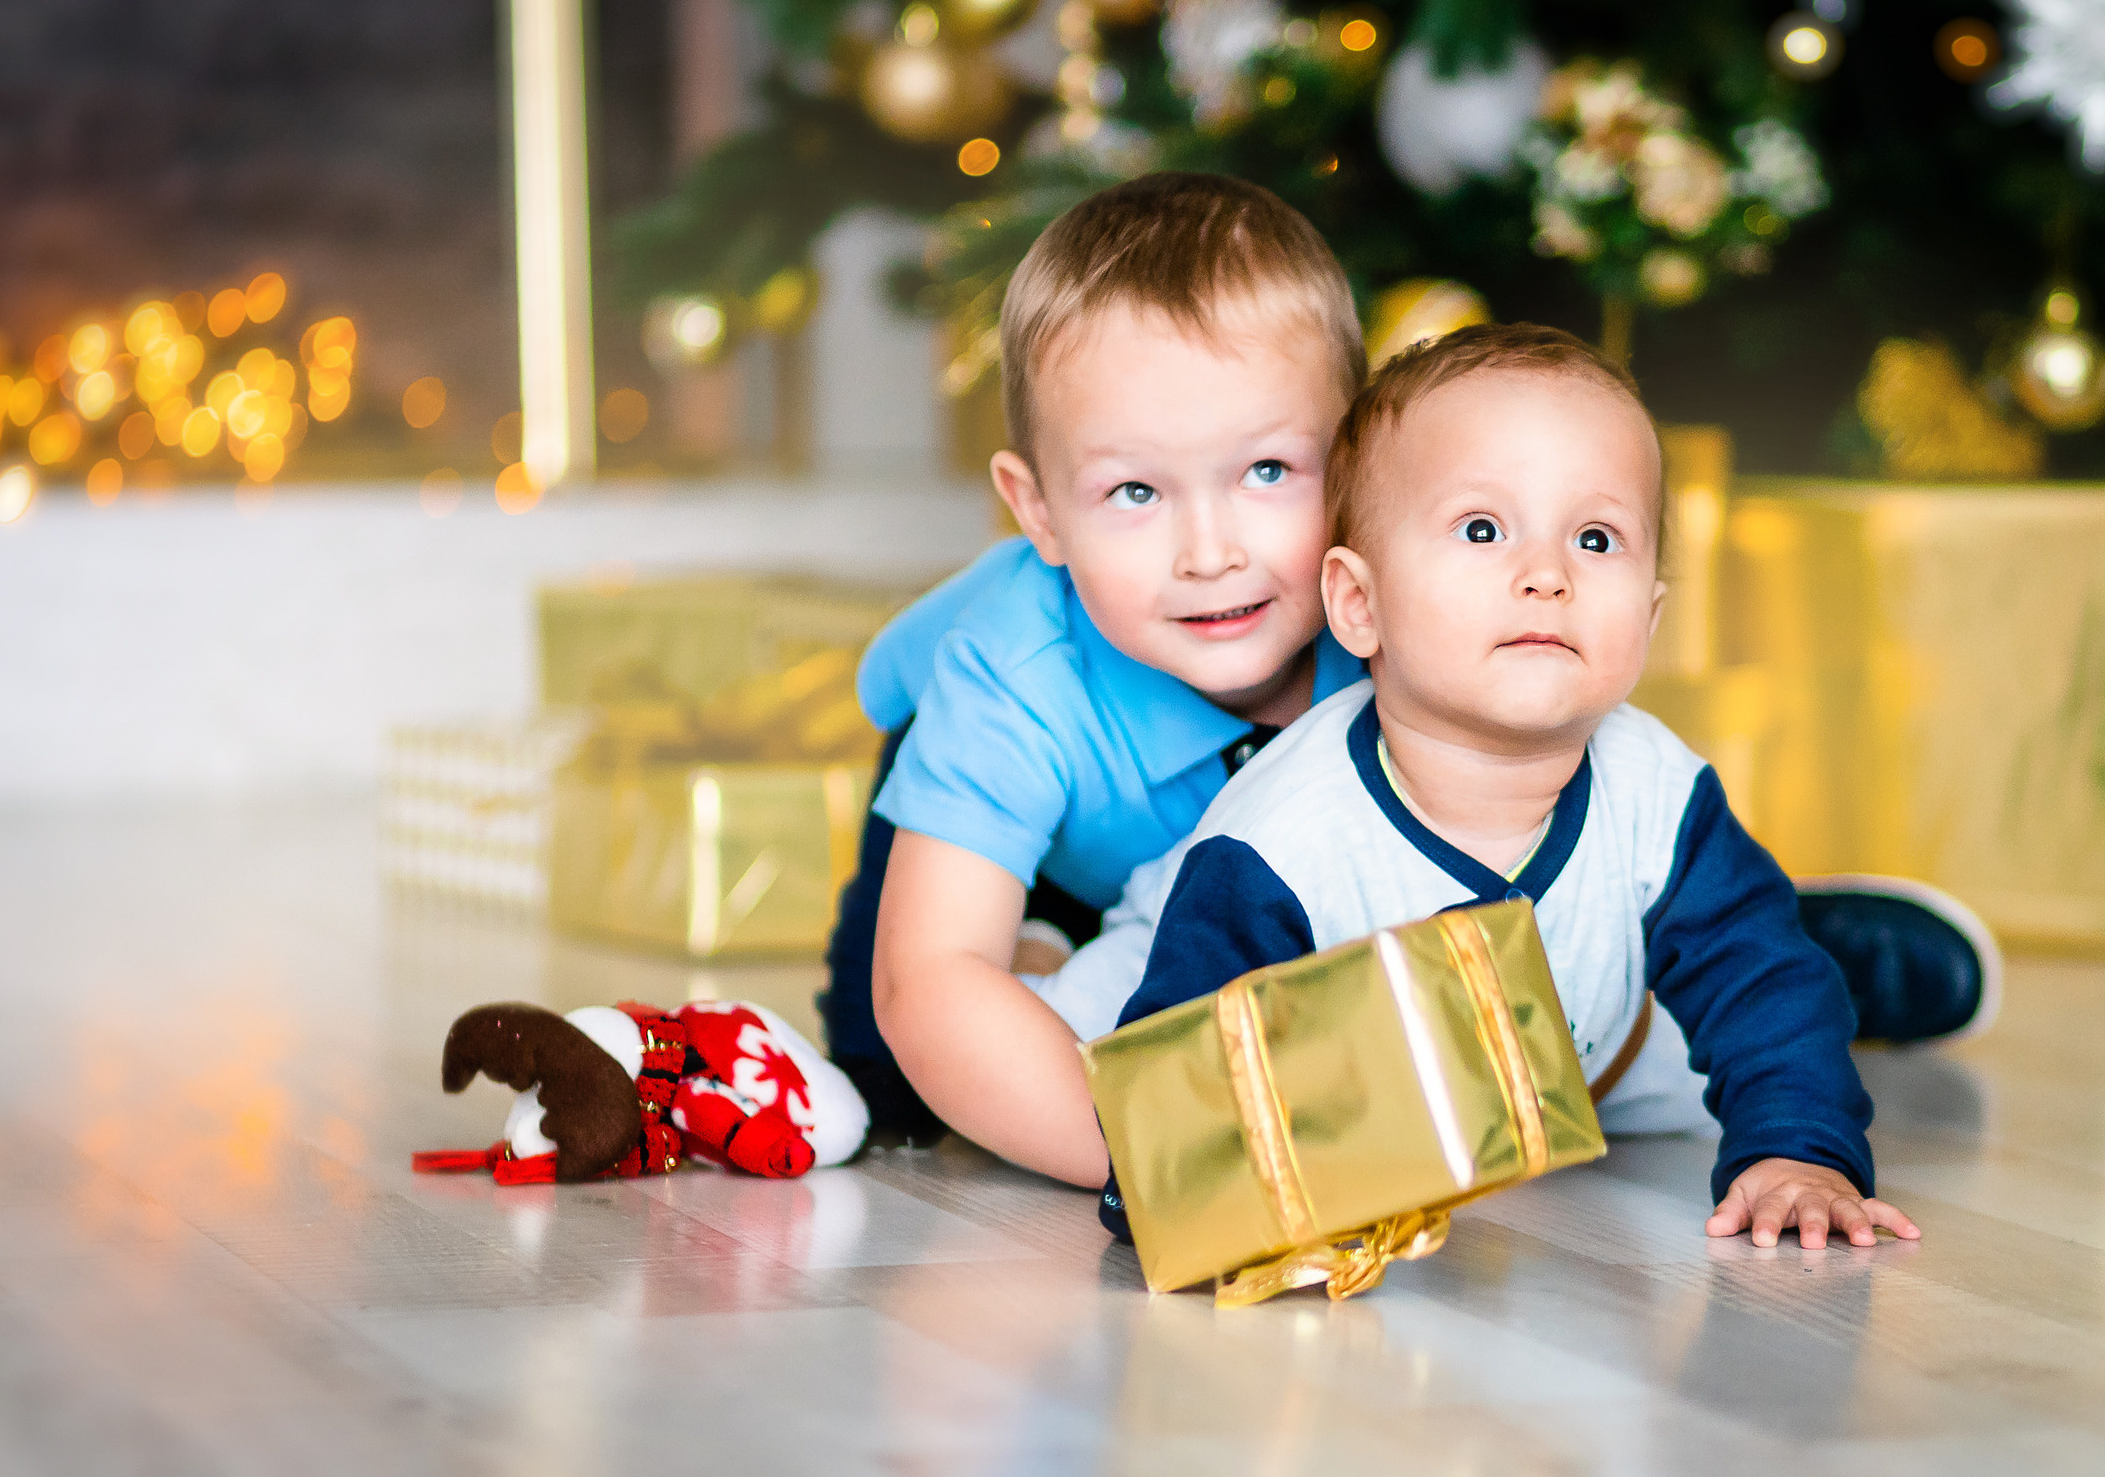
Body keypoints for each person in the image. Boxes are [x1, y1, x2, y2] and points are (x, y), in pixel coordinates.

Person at [1104, 324, 1973, 1248]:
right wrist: (1182, 1183)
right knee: (1079, 1038)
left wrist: (1801, 1153)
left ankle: (1821, 946)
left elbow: (1760, 989)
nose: (1549, 574)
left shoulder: (1657, 791)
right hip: (1295, 1027)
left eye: (1596, 538)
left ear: (1648, 614)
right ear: (1359, 604)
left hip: (1614, 1051)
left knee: (1766, 983)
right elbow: (1169, 1115)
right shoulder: (1278, 846)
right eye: (1483, 529)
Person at [824, 172, 1369, 1186]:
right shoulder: (1009, 676)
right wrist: (1156, 1163)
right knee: (891, 1080)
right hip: (1044, 805)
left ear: (1360, 458)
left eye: (1266, 472)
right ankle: (1041, 943)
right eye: (1133, 491)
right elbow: (928, 983)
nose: (1211, 553)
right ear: (1039, 514)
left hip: (1196, 855)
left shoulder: (1392, 615)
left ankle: (1068, 968)